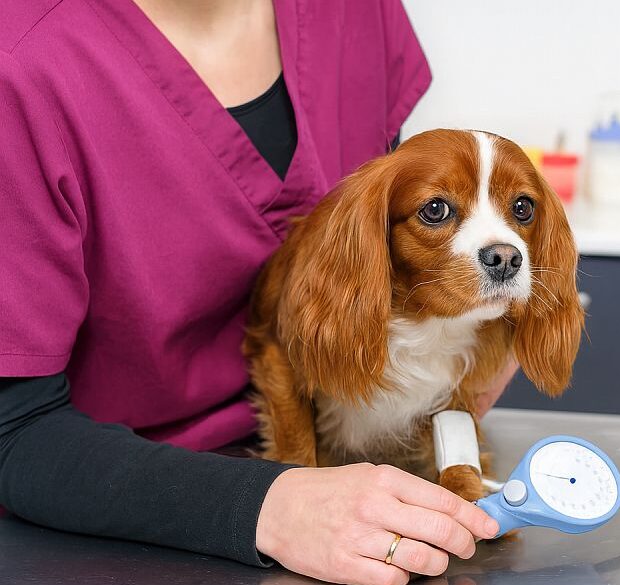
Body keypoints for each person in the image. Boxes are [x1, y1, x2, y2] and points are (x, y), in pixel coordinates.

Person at [0, 1, 516, 584]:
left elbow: (389, 248)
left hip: (351, 487)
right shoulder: (21, 62)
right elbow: (11, 430)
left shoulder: (356, 13)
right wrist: (269, 504)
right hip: (114, 525)